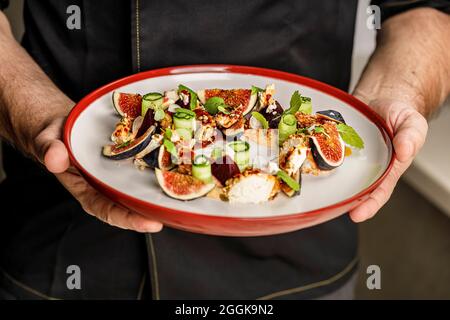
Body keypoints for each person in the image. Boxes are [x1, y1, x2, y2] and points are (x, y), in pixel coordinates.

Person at [0, 0, 448, 299]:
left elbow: (427, 10)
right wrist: (37, 115)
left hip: (297, 259)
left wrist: (396, 94)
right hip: (66, 245)